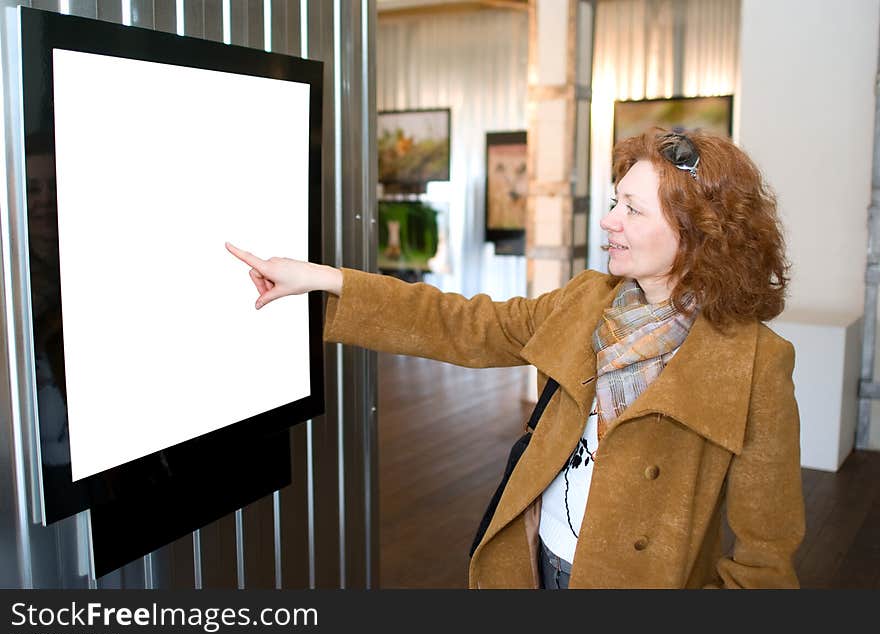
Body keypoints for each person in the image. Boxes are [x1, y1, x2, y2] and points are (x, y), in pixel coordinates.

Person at [226, 127, 805, 589]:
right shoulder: (586, 301)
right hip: (536, 562)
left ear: (697, 232)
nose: (608, 221)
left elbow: (765, 558)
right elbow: (463, 322)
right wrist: (324, 280)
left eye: (632, 209)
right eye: (614, 202)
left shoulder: (756, 364)